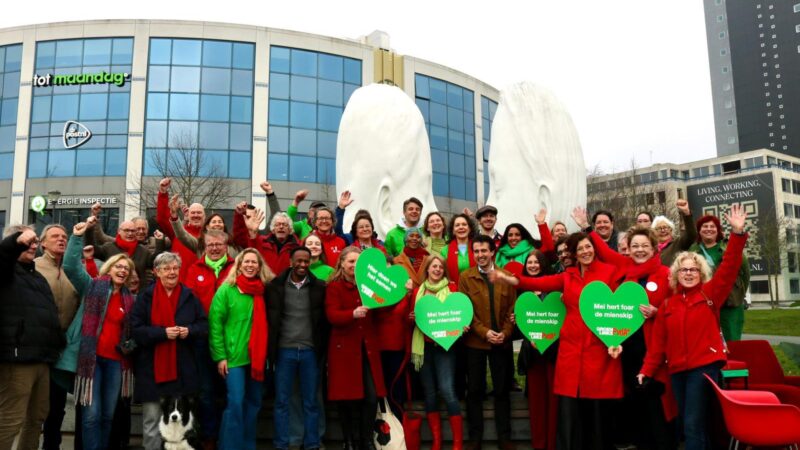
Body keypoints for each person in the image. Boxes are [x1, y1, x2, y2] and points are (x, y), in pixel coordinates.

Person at [495, 226, 624, 450]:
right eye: (580, 249)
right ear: (574, 254)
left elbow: (616, 310)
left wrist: (616, 340)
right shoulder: (568, 276)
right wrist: (509, 278)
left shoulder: (609, 272)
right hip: (570, 350)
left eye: (588, 247)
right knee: (569, 408)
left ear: (595, 249)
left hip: (597, 348)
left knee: (595, 409)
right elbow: (537, 282)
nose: (585, 252)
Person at [638, 204, 749, 450]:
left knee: (692, 423)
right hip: (677, 370)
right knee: (689, 422)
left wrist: (737, 234)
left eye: (693, 270)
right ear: (676, 274)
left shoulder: (711, 294)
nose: (688, 274)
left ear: (701, 273)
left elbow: (730, 266)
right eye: (684, 270)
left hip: (704, 367)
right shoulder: (668, 305)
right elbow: (658, 345)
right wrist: (646, 370)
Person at [584, 220, 677, 450]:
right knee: (634, 396)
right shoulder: (626, 270)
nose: (639, 250)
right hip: (629, 346)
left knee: (657, 398)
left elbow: (677, 307)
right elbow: (605, 252)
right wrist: (587, 228)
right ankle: (641, 441)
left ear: (654, 248)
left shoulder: (666, 274)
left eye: (644, 246)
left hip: (655, 347)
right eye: (635, 246)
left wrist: (658, 311)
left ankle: (663, 442)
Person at [60, 221, 136, 450]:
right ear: (109, 268)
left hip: (116, 364)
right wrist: (76, 237)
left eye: (126, 269)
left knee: (107, 416)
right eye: (118, 266)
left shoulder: (130, 300)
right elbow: (70, 266)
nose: (122, 271)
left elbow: (134, 331)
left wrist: (131, 343)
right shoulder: (92, 287)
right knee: (91, 416)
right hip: (91, 362)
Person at [130, 252, 208, 450]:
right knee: (151, 423)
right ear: (157, 272)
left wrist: (189, 331)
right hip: (152, 370)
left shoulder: (189, 296)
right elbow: (136, 330)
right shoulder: (145, 297)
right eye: (166, 269)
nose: (172, 272)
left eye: (175, 268)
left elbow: (204, 325)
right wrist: (162, 333)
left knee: (181, 427)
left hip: (182, 371)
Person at [0, 225, 65, 450]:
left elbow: (48, 316)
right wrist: (15, 241)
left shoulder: (37, 277)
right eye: (28, 242)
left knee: (36, 418)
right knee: (10, 420)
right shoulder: (6, 271)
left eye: (34, 242)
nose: (33, 246)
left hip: (42, 359)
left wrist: (58, 343)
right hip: (16, 359)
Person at [209, 248, 273, 450]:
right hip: (233, 357)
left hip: (257, 358)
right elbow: (215, 325)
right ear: (239, 265)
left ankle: (247, 446)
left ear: (260, 267)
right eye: (246, 262)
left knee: (253, 404)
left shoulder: (265, 290)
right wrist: (220, 356)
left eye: (254, 262)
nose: (250, 265)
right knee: (235, 403)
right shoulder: (226, 290)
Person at [458, 235, 517, 450]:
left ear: (492, 252)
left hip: (501, 342)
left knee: (502, 391)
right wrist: (485, 333)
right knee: (474, 390)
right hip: (476, 343)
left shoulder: (506, 276)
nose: (480, 255)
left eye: (484, 250)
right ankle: (475, 438)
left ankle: (505, 437)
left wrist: (505, 333)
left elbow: (512, 309)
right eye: (476, 251)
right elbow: (466, 311)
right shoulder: (466, 277)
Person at [267, 247, 329, 450]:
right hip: (284, 350)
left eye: (306, 261)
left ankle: (312, 444)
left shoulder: (319, 287)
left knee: (311, 401)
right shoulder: (276, 286)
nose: (302, 265)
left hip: (310, 351)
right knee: (282, 401)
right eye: (299, 261)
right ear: (290, 261)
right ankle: (281, 444)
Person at [326, 247, 386, 450]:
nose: (354, 265)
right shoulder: (334, 287)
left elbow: (382, 309)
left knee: (371, 397)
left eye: (358, 262)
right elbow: (332, 315)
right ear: (342, 263)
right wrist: (352, 314)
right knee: (346, 399)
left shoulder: (368, 285)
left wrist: (403, 292)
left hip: (366, 349)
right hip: (344, 350)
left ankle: (366, 440)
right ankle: (349, 441)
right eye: (351, 261)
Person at [184, 229, 235, 448]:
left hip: (230, 339)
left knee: (229, 390)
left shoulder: (235, 268)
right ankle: (209, 438)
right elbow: (189, 303)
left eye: (218, 244)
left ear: (226, 246)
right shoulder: (194, 269)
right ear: (204, 247)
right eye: (210, 245)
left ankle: (227, 436)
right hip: (202, 340)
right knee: (205, 391)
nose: (214, 248)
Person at [407, 255, 464, 450]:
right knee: (430, 393)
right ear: (427, 270)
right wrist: (411, 317)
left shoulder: (452, 289)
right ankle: (437, 441)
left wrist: (462, 325)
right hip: (423, 347)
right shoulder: (418, 292)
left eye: (440, 267)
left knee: (447, 390)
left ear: (444, 270)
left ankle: (457, 443)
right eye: (434, 266)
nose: (437, 269)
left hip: (444, 347)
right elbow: (411, 318)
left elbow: (459, 314)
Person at [35, 224, 81, 450]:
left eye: (64, 236)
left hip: (64, 349)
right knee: (35, 407)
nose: (62, 239)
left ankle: (51, 445)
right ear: (43, 243)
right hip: (38, 347)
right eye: (55, 236)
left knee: (57, 405)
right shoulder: (33, 267)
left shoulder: (73, 269)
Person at [511, 249, 558, 450]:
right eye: (529, 262)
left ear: (543, 264)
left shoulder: (554, 288)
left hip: (553, 352)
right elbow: (518, 330)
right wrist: (516, 322)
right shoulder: (521, 292)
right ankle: (539, 444)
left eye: (536, 262)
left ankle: (552, 443)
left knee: (553, 402)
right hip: (532, 354)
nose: (532, 265)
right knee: (536, 404)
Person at [689, 214, 750, 342]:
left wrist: (738, 292)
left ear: (718, 230)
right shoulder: (693, 250)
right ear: (699, 230)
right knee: (706, 339)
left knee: (732, 340)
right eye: (705, 226)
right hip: (704, 302)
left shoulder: (728, 246)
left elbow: (745, 273)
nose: (709, 229)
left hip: (730, 302)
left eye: (712, 226)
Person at [86, 216, 164, 288]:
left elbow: (156, 263)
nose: (130, 233)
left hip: (137, 294)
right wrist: (89, 229)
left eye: (133, 231)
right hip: (112, 292)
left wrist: (160, 242)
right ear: (119, 231)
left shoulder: (143, 251)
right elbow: (92, 249)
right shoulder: (109, 247)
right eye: (126, 230)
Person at [157, 177, 205, 281]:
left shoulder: (210, 237)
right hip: (179, 285)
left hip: (202, 286)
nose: (196, 215)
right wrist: (163, 193)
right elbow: (162, 219)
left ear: (204, 216)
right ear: (188, 215)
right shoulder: (178, 232)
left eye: (199, 213)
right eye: (193, 213)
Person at [245, 209, 301, 275]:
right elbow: (251, 252)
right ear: (273, 229)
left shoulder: (297, 246)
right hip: (265, 280)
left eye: (285, 225)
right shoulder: (262, 242)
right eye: (277, 224)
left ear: (290, 230)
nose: (281, 227)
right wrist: (252, 232)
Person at [657, 200, 697, 266]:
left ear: (671, 230)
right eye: (659, 228)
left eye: (666, 227)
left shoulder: (677, 244)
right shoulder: (650, 249)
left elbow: (691, 235)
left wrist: (686, 214)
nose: (663, 231)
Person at [441, 213, 477, 284]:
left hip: (476, 288)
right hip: (453, 289)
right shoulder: (445, 250)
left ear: (469, 229)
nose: (461, 227)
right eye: (457, 225)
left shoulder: (477, 248)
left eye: (464, 224)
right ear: (453, 231)